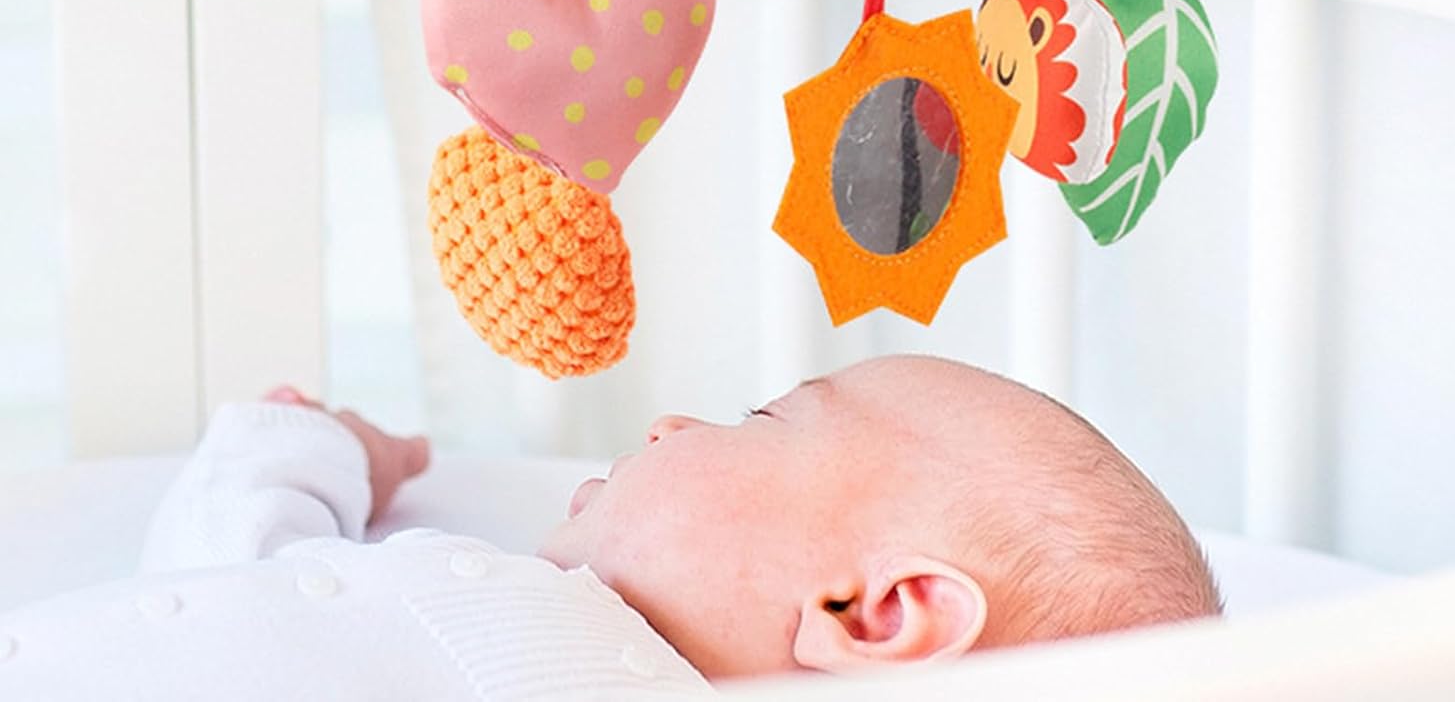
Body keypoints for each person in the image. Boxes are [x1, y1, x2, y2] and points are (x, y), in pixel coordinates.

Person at [0, 356, 1219, 696]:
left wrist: (299, 456)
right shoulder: (498, 607)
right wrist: (306, 453)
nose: (672, 421)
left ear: (875, 611)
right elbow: (228, 588)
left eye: (762, 418)